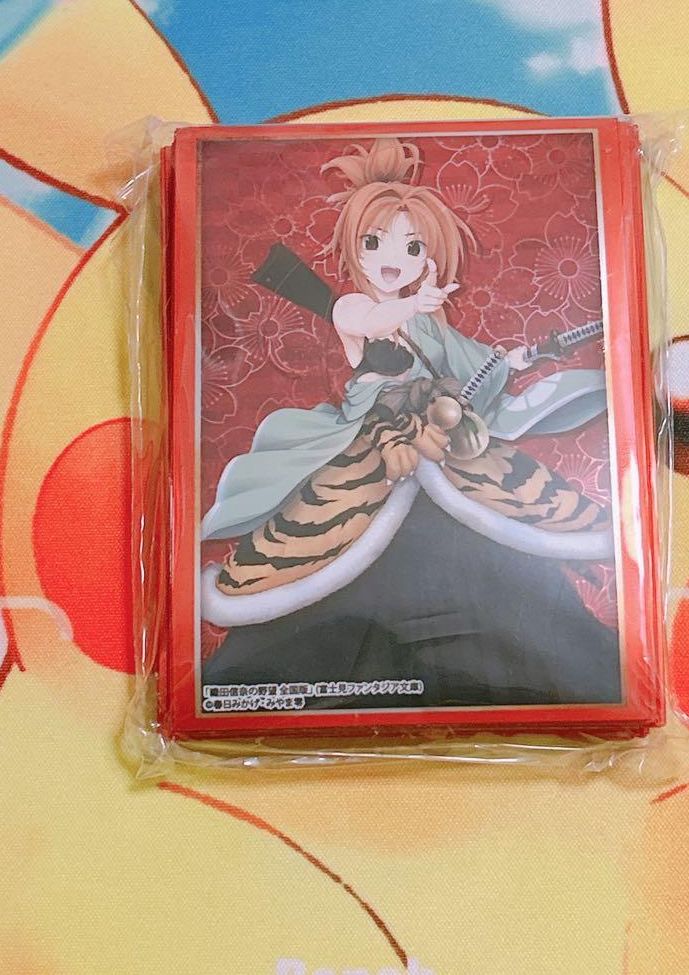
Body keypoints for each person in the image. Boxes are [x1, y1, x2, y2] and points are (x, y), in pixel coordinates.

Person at [200, 137, 620, 708]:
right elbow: (374, 320)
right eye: (374, 242)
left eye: (412, 246)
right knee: (322, 541)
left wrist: (521, 358)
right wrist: (416, 305)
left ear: (428, 257)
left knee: (511, 533)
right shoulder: (353, 308)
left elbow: (476, 363)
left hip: (442, 436)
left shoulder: (428, 324)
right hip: (374, 439)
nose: (391, 259)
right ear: (355, 248)